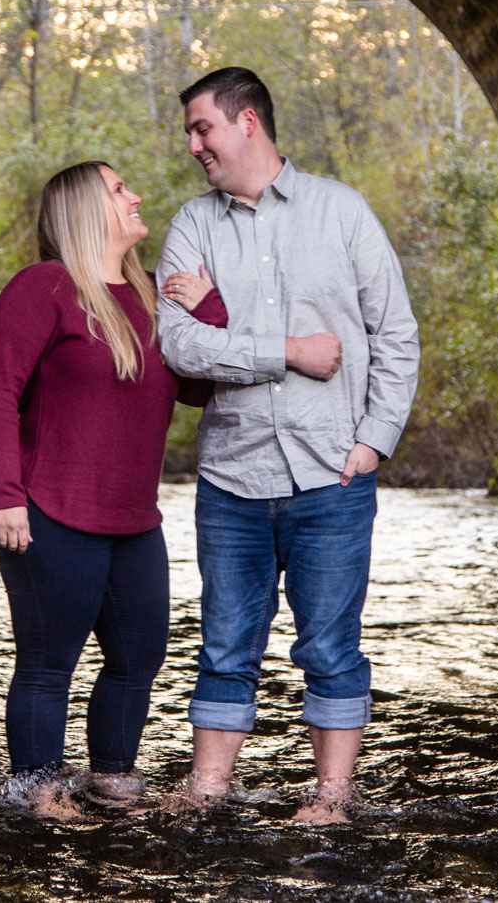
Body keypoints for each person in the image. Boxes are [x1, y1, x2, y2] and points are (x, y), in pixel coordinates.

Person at [156, 67, 420, 823]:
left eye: (202, 128)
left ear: (248, 123)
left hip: (332, 474)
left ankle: (332, 797)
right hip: (231, 478)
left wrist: (373, 441)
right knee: (223, 644)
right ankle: (207, 792)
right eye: (190, 135)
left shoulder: (342, 212)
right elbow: (178, 344)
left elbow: (395, 334)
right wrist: (288, 351)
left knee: (331, 645)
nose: (195, 146)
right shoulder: (191, 225)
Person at [0, 161, 226, 814]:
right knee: (47, 661)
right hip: (47, 512)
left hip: (133, 521)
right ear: (85, 212)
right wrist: (5, 493)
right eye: (119, 190)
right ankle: (36, 792)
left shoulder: (150, 297)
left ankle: (112, 783)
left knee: (139, 656)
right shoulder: (44, 287)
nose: (136, 194)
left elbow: (200, 386)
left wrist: (207, 307)